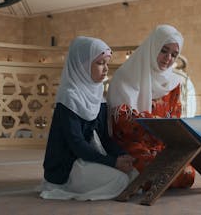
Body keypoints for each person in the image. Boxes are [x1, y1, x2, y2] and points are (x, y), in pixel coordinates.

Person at [39, 36, 136, 200]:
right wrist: (112, 163)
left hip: (89, 159)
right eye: (99, 63)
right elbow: (77, 144)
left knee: (135, 174)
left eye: (106, 63)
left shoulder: (98, 96)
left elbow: (104, 138)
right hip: (69, 166)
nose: (105, 69)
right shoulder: (69, 98)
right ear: (82, 65)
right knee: (120, 180)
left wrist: (122, 155)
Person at [106, 24, 195, 188]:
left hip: (160, 144)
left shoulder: (173, 83)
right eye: (164, 50)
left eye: (174, 54)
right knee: (153, 170)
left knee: (187, 173)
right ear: (152, 47)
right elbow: (122, 122)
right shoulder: (126, 76)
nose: (168, 58)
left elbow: (174, 118)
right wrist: (155, 123)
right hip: (132, 143)